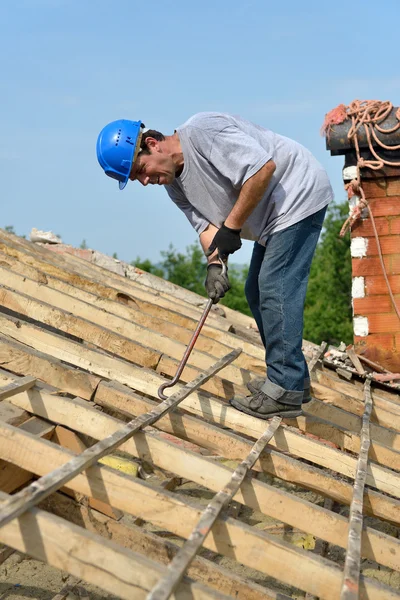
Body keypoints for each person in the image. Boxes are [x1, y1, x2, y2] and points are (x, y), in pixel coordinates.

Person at [96, 112, 333, 419]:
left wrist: (232, 227)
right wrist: (214, 266)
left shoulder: (204, 131)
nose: (144, 181)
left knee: (275, 287)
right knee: (257, 293)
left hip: (297, 192)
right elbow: (207, 230)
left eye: (140, 170)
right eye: (136, 179)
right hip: (272, 218)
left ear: (152, 144)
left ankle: (285, 388)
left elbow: (263, 170)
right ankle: (294, 380)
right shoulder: (174, 185)